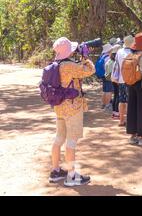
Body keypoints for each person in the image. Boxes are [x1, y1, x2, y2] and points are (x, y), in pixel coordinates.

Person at [49, 37, 95, 187]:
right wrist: (86, 57)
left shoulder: (55, 64)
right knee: (71, 141)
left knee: (59, 138)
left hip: (60, 107)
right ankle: (71, 176)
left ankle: (55, 171)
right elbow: (90, 70)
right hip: (73, 107)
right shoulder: (69, 65)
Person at [114, 35, 134, 127]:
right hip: (132, 80)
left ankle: (121, 120)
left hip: (121, 80)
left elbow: (116, 66)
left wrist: (116, 78)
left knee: (122, 100)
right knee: (131, 101)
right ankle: (130, 121)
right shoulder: (133, 52)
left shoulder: (119, 52)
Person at [106, 44, 121, 119]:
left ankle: (114, 112)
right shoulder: (116, 60)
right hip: (117, 80)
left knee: (115, 95)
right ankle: (117, 112)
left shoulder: (110, 60)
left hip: (112, 80)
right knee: (118, 96)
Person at [97, 43, 113, 111]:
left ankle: (103, 104)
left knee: (105, 90)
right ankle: (108, 105)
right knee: (109, 90)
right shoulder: (108, 57)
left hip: (103, 75)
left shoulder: (102, 56)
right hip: (108, 75)